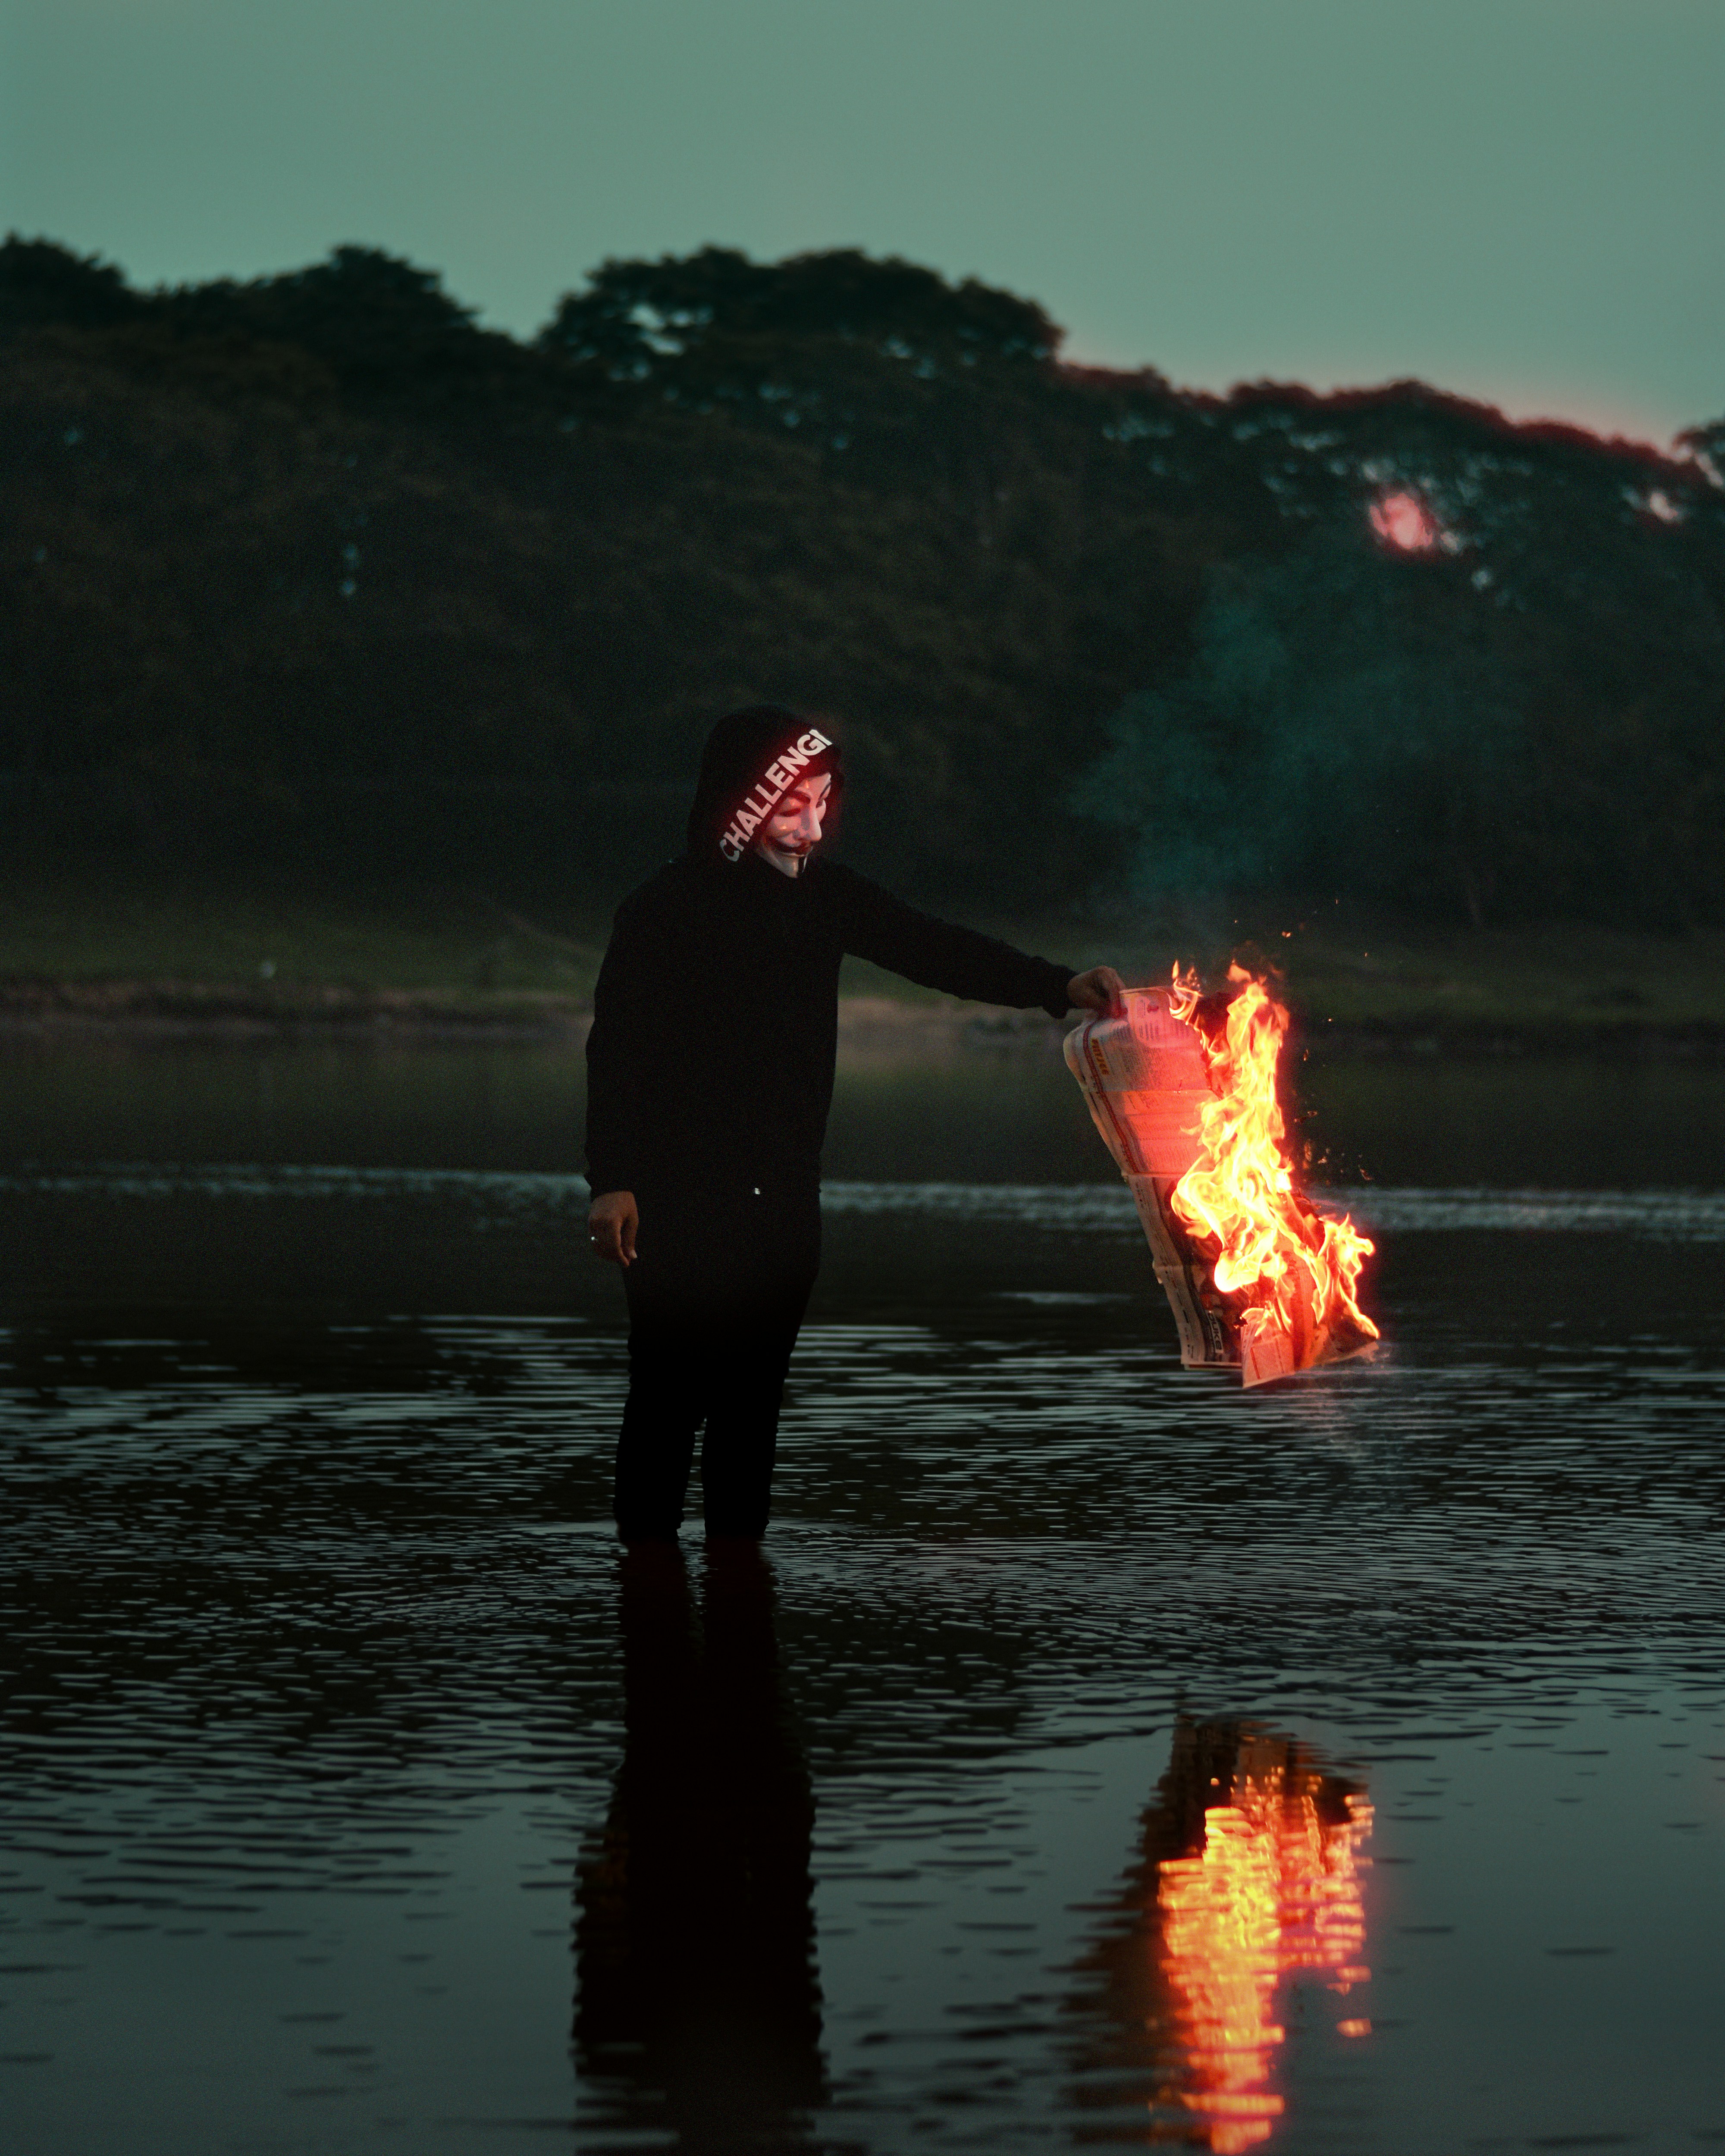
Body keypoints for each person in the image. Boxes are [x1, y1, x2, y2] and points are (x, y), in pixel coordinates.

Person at [585, 705, 1123, 1544]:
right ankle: (643, 1594)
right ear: (743, 799)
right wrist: (611, 1179)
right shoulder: (665, 907)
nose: (809, 825)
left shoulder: (829, 901)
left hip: (784, 1205)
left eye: (822, 803)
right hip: (676, 1202)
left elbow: (936, 948)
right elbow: (619, 1050)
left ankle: (736, 1598)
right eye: (790, 803)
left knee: (751, 1414)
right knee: (666, 1402)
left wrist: (1059, 987)